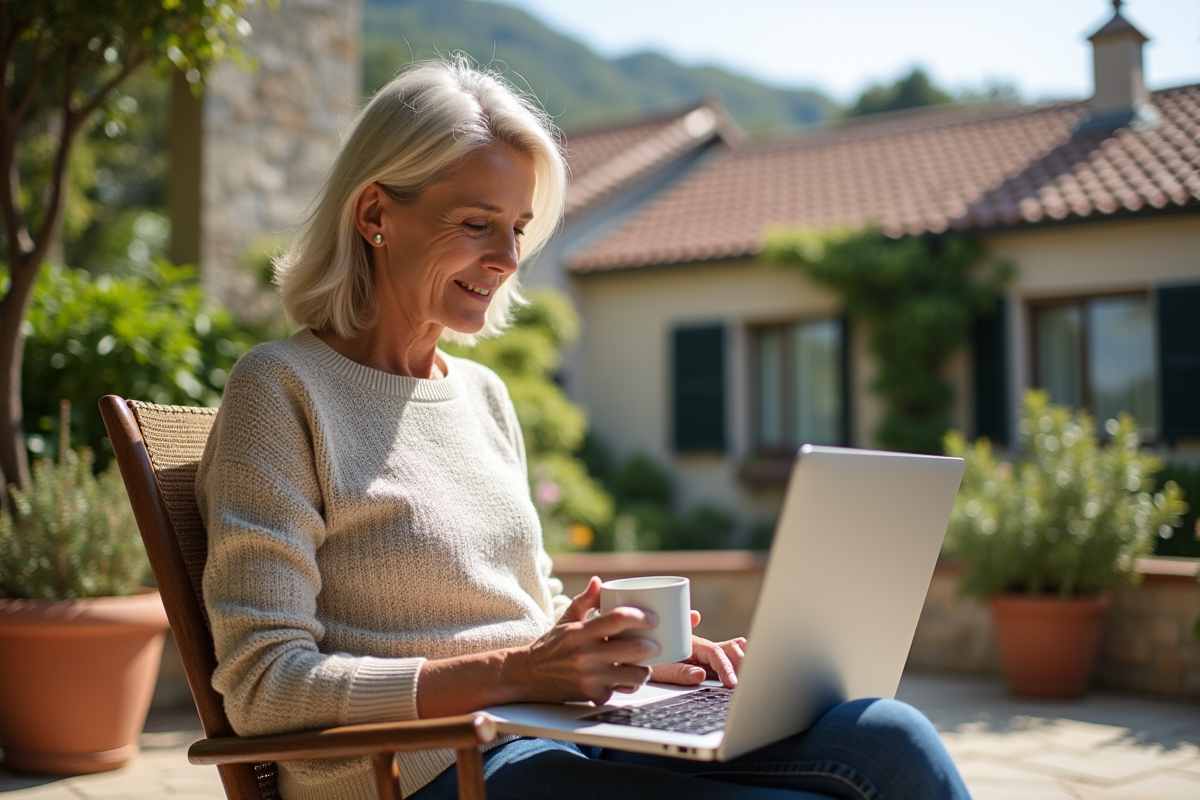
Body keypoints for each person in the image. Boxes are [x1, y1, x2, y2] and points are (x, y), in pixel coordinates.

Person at [197, 58, 972, 800]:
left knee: (889, 736)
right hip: (428, 775)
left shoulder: (483, 395)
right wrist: (519, 675)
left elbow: (528, 616)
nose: (507, 258)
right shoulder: (282, 389)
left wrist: (636, 656)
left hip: (553, 734)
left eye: (519, 230)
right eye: (477, 224)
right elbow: (266, 687)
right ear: (375, 215)